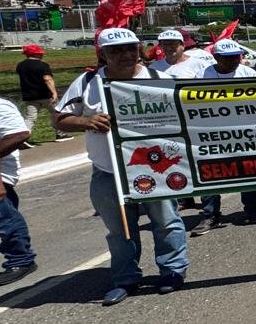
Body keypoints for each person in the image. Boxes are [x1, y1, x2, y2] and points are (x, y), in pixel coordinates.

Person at [52, 28, 188, 306]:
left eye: (131, 48)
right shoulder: (88, 82)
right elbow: (59, 119)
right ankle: (125, 278)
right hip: (108, 172)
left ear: (139, 49)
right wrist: (86, 122)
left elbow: (185, 118)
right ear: (102, 54)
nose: (125, 55)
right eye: (116, 51)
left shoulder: (158, 79)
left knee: (166, 222)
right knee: (120, 230)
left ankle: (172, 271)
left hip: (155, 172)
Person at [191, 39, 256, 233]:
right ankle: (210, 215)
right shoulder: (203, 75)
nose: (234, 61)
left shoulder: (248, 73)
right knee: (210, 173)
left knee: (247, 171)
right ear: (216, 57)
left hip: (244, 132)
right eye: (229, 58)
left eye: (237, 57)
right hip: (213, 133)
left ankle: (254, 210)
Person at [0, 97, 36, 284]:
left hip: (1, 172)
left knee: (4, 218)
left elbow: (19, 134)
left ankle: (21, 260)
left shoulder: (1, 106)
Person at [14, 44, 69, 139]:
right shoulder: (42, 65)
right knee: (57, 113)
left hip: (29, 96)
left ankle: (22, 138)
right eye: (40, 53)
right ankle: (61, 134)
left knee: (30, 118)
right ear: (36, 54)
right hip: (45, 95)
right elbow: (47, 79)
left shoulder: (20, 65)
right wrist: (54, 92)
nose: (42, 55)